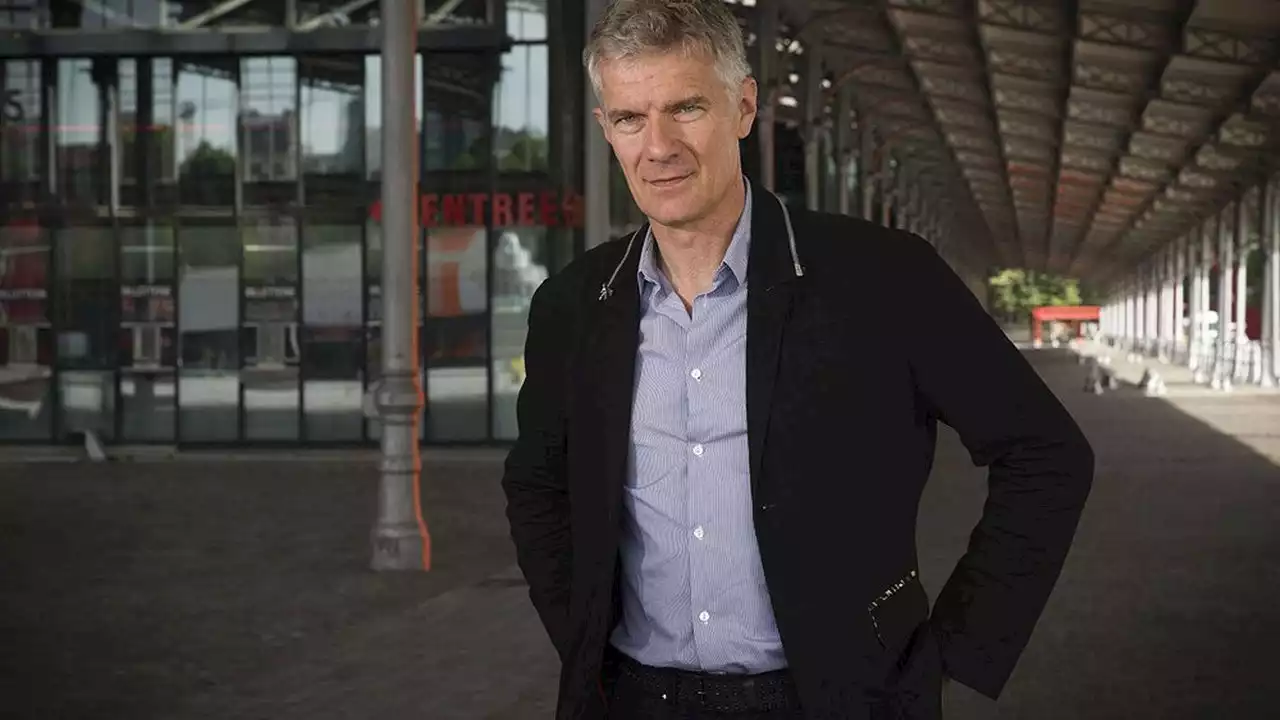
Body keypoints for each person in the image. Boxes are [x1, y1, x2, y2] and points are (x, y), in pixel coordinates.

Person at [501, 1, 1095, 718]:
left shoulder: (882, 278)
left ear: (745, 106)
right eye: (630, 118)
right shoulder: (573, 304)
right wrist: (583, 630)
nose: (658, 146)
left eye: (686, 108)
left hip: (830, 699)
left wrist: (958, 645)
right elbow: (537, 484)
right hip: (628, 698)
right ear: (607, 128)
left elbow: (1044, 450)